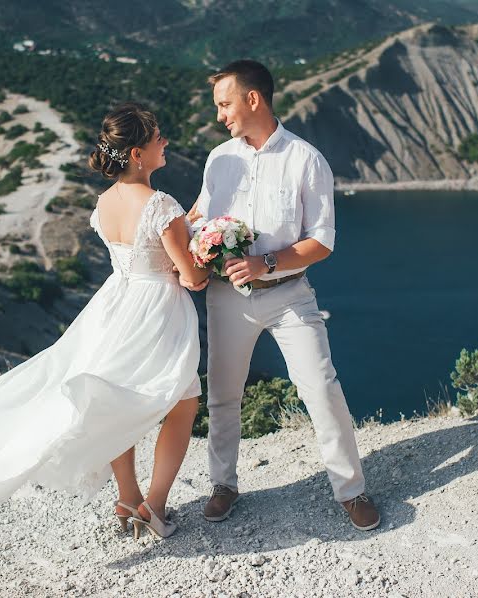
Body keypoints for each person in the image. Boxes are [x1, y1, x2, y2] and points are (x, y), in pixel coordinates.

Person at [0, 103, 208, 539]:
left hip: (115, 306)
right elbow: (192, 279)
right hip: (158, 311)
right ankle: (153, 507)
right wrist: (206, 255)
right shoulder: (162, 205)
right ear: (137, 153)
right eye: (158, 137)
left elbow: (142, 249)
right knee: (182, 403)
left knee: (113, 399)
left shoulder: (104, 203)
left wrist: (185, 230)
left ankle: (126, 497)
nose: (165, 142)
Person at [184, 60, 380, 531]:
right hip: (226, 296)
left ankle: (351, 491)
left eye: (224, 104)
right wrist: (184, 238)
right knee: (224, 396)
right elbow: (201, 214)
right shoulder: (219, 159)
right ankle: (223, 484)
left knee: (321, 387)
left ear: (253, 99)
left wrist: (264, 263)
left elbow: (323, 241)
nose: (220, 116)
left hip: (290, 294)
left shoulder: (307, 160)